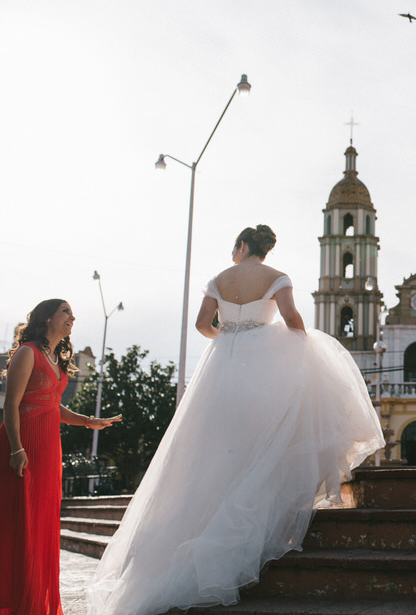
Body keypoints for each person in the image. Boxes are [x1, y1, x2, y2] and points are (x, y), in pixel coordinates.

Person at [87, 225, 385, 615]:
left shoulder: (219, 279)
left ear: (242, 246)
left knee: (211, 442)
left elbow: (201, 324)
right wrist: (296, 346)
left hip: (223, 361)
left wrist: (228, 336)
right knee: (265, 433)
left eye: (234, 245)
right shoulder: (277, 277)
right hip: (263, 359)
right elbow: (293, 318)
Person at [1, 299, 121, 615]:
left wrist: (88, 421)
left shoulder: (53, 359)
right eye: (65, 311)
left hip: (48, 447)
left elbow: (52, 405)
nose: (72, 317)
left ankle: (37, 602)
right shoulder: (27, 352)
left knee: (41, 524)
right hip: (23, 444)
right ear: (47, 318)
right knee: (20, 521)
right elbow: (11, 404)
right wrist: (16, 448)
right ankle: (15, 602)